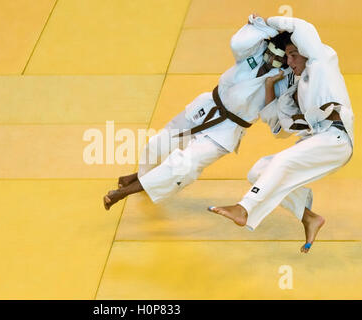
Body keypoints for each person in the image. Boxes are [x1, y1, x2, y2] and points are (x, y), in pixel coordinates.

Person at [104, 14, 295, 210]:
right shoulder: (255, 51)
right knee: (157, 145)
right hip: (205, 107)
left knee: (184, 166)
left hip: (226, 132)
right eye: (270, 52)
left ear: (288, 61)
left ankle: (124, 192)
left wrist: (270, 86)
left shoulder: (285, 81)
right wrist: (266, 28)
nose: (271, 59)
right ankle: (142, 178)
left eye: (279, 58)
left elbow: (277, 119)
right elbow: (237, 44)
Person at [209, 16, 354, 253]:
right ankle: (309, 218)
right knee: (257, 171)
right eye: (287, 57)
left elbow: (303, 27)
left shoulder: (321, 63)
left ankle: (244, 208)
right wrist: (269, 87)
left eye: (294, 54)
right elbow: (278, 128)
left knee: (282, 162)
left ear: (307, 51)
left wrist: (268, 23)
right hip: (317, 140)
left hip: (335, 139)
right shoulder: (295, 89)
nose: (290, 60)